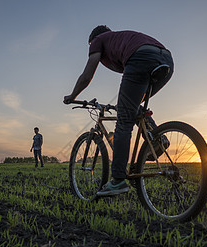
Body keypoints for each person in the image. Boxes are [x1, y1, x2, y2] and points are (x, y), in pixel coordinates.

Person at [64, 25, 174, 196]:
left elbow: (87, 75)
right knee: (133, 107)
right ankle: (157, 140)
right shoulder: (120, 38)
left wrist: (72, 95)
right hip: (166, 58)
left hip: (141, 58)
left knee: (124, 121)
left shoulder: (98, 40)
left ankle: (118, 181)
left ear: (92, 40)